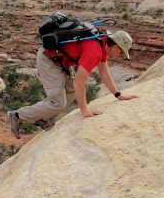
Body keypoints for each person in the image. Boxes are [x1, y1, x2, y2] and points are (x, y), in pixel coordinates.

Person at [8, 30, 138, 139]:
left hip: (60, 60)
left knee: (70, 92)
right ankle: (17, 115)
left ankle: (41, 116)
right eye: (121, 52)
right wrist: (85, 111)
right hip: (49, 59)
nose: (120, 56)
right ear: (115, 47)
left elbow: (104, 73)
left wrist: (118, 95)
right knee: (58, 103)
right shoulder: (95, 50)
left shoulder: (102, 44)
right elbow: (79, 82)